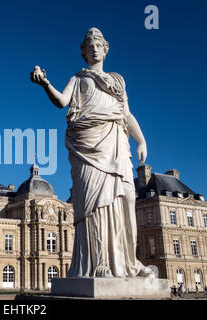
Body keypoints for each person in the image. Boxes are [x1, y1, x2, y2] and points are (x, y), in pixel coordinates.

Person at [31, 27, 153, 278]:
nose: (95, 49)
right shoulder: (78, 79)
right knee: (95, 205)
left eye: (99, 44)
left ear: (106, 49)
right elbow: (62, 102)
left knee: (126, 199)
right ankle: (100, 264)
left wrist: (140, 140)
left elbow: (125, 114)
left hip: (116, 144)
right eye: (90, 46)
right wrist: (45, 84)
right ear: (83, 52)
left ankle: (128, 263)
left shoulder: (118, 80)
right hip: (87, 148)